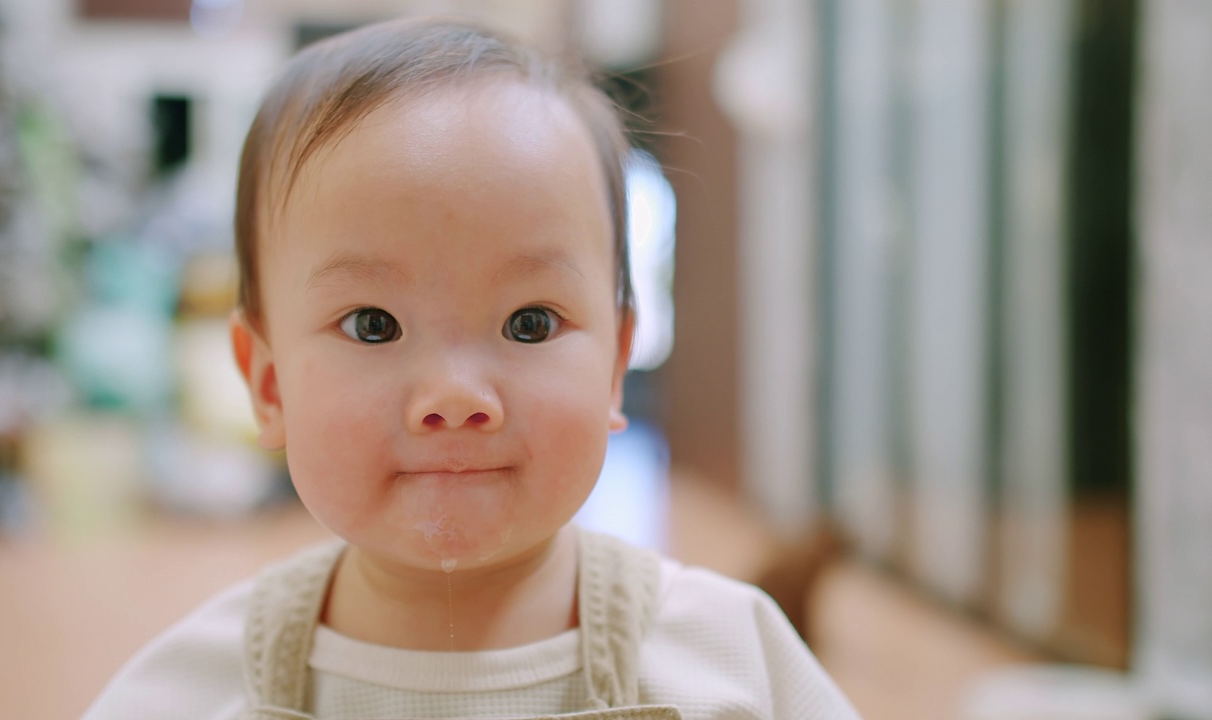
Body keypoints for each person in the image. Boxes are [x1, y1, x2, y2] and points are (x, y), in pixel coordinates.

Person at [83, 16, 860, 720]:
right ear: (270, 383)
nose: (456, 397)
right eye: (372, 324)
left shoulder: (729, 662)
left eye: (529, 324)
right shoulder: (197, 687)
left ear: (615, 367)